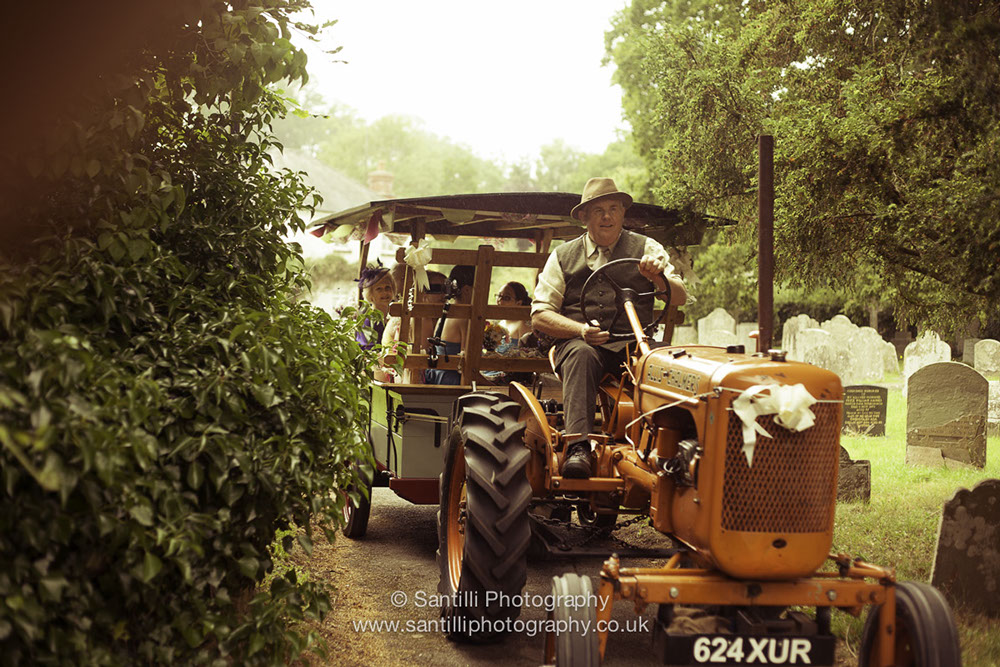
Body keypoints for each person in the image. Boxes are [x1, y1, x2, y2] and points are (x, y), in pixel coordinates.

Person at [531, 177, 675, 478]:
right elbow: (540, 315)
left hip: (632, 344)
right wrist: (580, 330)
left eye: (614, 209)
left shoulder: (647, 248)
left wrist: (658, 278)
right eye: (598, 210)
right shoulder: (562, 256)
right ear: (584, 217)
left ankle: (668, 450)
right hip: (578, 344)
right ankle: (578, 448)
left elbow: (681, 297)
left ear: (623, 213)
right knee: (583, 354)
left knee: (672, 363)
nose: (607, 216)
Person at [424, 265, 476, 385]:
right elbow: (468, 365)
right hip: (452, 380)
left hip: (438, 376)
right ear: (467, 290)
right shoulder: (463, 318)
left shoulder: (449, 311)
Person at [356, 263, 395, 352]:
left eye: (387, 288)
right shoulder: (366, 319)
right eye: (379, 289)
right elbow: (367, 351)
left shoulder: (396, 315)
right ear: (370, 294)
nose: (385, 293)